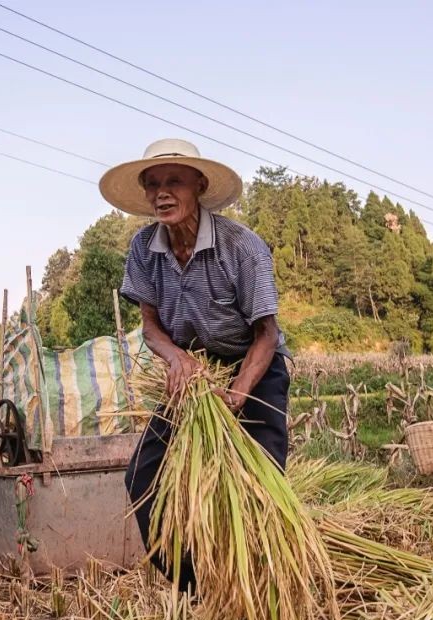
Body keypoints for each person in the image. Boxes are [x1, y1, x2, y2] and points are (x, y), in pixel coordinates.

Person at [101, 138, 291, 594]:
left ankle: (260, 589)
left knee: (258, 488)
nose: (161, 193)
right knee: (142, 477)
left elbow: (266, 334)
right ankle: (199, 588)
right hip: (193, 372)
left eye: (174, 181)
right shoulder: (144, 247)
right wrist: (178, 357)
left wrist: (239, 394)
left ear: (199, 185)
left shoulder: (240, 247)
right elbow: (150, 327)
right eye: (152, 185)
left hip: (253, 366)